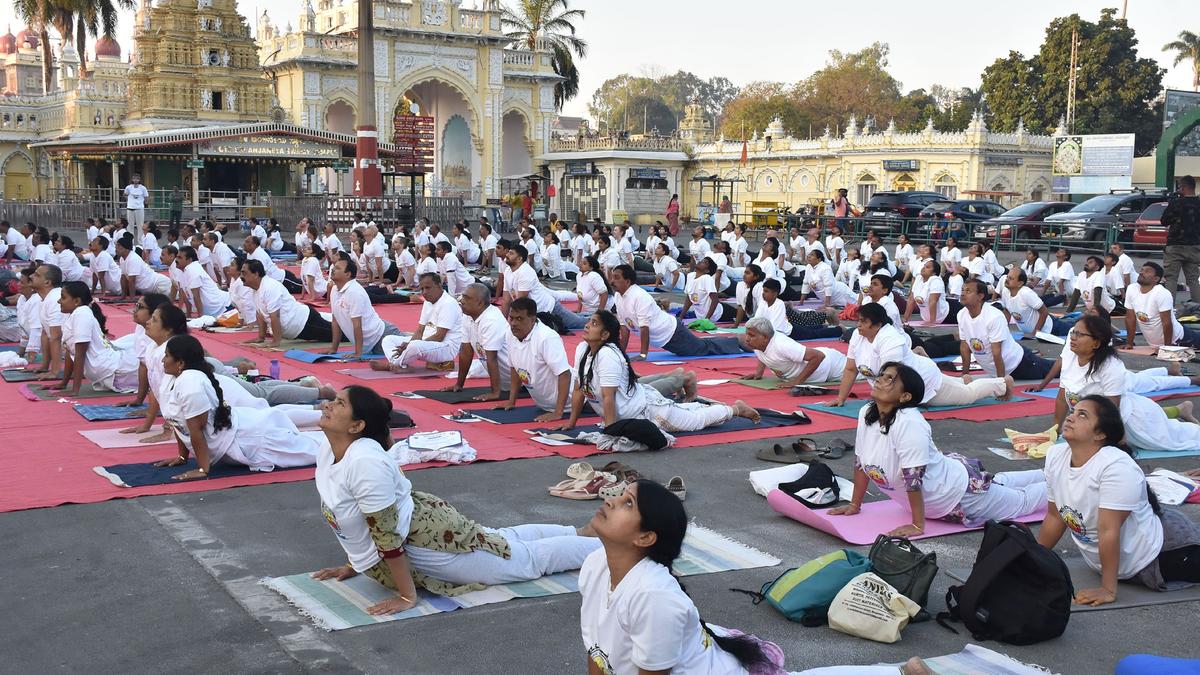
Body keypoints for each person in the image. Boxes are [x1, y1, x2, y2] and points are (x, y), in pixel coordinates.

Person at [311, 385, 601, 613]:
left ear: (356, 426)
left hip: (428, 541)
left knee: (524, 562)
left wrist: (406, 595)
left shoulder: (364, 463)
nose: (328, 405)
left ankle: (605, 546)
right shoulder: (328, 448)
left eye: (339, 403)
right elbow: (351, 517)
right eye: (333, 400)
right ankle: (578, 534)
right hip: (424, 523)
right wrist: (356, 563)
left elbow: (386, 536)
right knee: (498, 538)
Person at [580, 480, 793, 675]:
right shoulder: (596, 565)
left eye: (628, 503)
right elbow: (597, 650)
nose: (610, 501)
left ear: (645, 537)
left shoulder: (653, 597)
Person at [828, 362, 1046, 536]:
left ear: (905, 397)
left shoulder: (909, 423)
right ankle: (1046, 474)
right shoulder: (867, 412)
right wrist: (855, 504)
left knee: (1022, 501)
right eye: (882, 375)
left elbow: (913, 478)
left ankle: (1067, 482)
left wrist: (917, 525)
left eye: (890, 379)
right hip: (942, 493)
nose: (880, 380)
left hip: (958, 495)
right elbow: (860, 461)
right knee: (997, 484)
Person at [1038, 395, 1200, 605]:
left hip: (1162, 552)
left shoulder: (1116, 467)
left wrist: (1107, 589)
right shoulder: (1056, 455)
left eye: (1083, 415)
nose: (1071, 417)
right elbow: (1055, 517)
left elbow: (1109, 530)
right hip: (1140, 535)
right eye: (1073, 412)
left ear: (1100, 434)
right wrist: (1032, 558)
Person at [557, 311, 759, 433]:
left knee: (695, 422)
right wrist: (571, 423)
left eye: (593, 323)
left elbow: (608, 397)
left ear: (605, 335)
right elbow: (578, 390)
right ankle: (698, 402)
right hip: (636, 408)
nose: (586, 325)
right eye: (589, 321)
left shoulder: (608, 355)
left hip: (648, 410)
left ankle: (735, 409)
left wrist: (611, 431)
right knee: (685, 411)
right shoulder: (582, 349)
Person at [150, 335, 320, 481]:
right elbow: (179, 423)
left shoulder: (190, 383)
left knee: (322, 450)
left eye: (166, 356)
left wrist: (202, 470)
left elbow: (196, 428)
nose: (163, 360)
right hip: (242, 433)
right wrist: (182, 457)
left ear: (180, 362)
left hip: (252, 439)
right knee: (316, 444)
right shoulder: (174, 380)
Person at [1051, 314, 1200, 454]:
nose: (1073, 338)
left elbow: (1112, 411)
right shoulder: (1070, 356)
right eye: (1073, 332)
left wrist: (1115, 442)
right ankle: (1181, 410)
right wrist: (1054, 431)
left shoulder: (1110, 366)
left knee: (1179, 439)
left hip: (1132, 423)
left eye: (1080, 335)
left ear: (1096, 343)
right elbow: (1062, 398)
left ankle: (1184, 413)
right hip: (1092, 424)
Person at [828, 303, 1015, 408]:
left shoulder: (890, 339)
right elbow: (851, 369)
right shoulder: (857, 336)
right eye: (858, 321)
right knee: (957, 385)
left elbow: (892, 376)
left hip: (924, 382)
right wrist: (840, 398)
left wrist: (886, 403)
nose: (858, 325)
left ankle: (1002, 383)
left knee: (967, 396)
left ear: (877, 325)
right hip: (911, 375)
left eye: (863, 321)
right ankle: (962, 379)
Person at [609, 265, 745, 359]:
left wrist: (643, 354)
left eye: (616, 278)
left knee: (703, 349)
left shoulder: (639, 296)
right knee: (700, 346)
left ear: (627, 281)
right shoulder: (618, 296)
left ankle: (736, 342)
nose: (612, 281)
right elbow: (624, 327)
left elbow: (644, 328)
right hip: (664, 339)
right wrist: (622, 352)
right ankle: (729, 342)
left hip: (672, 332)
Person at [49, 281, 139, 395]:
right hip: (104, 368)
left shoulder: (82, 315)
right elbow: (70, 352)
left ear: (77, 301)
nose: (58, 301)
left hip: (113, 369)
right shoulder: (74, 314)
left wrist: (75, 390)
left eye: (63, 297)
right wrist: (64, 383)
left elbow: (80, 354)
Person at [957, 279, 1054, 380]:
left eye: (968, 291)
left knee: (1056, 369)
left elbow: (996, 352)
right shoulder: (961, 315)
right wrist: (964, 376)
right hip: (998, 370)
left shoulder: (994, 316)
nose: (963, 294)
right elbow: (965, 347)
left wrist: (1000, 383)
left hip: (1021, 364)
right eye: (962, 290)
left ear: (980, 296)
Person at [496, 297, 573, 422]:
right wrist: (511, 402)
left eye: (519, 319)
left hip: (574, 402)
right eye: (512, 318)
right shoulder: (510, 333)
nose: (514, 323)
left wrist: (558, 413)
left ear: (532, 320)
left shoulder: (547, 337)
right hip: (544, 405)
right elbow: (515, 368)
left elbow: (564, 374)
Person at [375, 273, 463, 372]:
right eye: (422, 289)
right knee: (388, 339)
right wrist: (409, 343)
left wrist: (410, 345)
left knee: (414, 345)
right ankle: (399, 364)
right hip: (426, 343)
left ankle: (393, 365)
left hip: (446, 347)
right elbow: (420, 331)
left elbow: (439, 336)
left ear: (439, 286)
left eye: (428, 288)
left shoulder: (448, 303)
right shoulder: (427, 302)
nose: (424, 292)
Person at [444, 284, 512, 401]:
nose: (462, 301)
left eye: (467, 298)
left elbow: (492, 358)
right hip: (504, 381)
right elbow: (466, 352)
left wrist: (495, 393)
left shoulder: (492, 319)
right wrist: (459, 385)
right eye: (462, 297)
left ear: (480, 303)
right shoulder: (468, 315)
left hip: (520, 381)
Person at [243, 259, 332, 346]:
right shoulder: (254, 290)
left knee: (340, 335)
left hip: (304, 321)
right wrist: (261, 337)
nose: (241, 277)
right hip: (296, 326)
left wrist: (276, 341)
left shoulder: (269, 287)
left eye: (244, 273)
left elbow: (274, 316)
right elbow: (260, 314)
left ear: (256, 274)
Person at [743, 317, 847, 387]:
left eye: (751, 335)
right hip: (818, 364)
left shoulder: (782, 344)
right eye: (747, 334)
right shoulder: (757, 344)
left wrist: (797, 382)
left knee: (861, 370)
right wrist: (758, 373)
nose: (747, 338)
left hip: (832, 366)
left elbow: (818, 356)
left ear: (765, 337)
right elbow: (763, 354)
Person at [328, 258, 401, 358]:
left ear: (348, 274)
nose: (333, 269)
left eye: (337, 268)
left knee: (413, 345)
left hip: (382, 336)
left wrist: (358, 353)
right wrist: (333, 349)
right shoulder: (334, 290)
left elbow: (357, 324)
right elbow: (336, 321)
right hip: (370, 341)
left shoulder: (354, 292)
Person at [1123, 262, 1200, 349]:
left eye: (1147, 271)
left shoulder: (1161, 293)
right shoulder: (1132, 289)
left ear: (1156, 279)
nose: (1141, 273)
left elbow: (1166, 322)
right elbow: (1130, 318)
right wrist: (1129, 343)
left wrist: (1167, 348)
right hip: (1155, 344)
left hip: (1180, 338)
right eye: (1142, 270)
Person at [1162, 175, 1200, 305]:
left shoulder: (1177, 203)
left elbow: (1164, 221)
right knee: (1193, 280)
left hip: (1175, 246)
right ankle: (1198, 309)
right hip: (1195, 245)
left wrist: (1172, 203)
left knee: (1171, 278)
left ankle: (1168, 309)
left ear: (1183, 187)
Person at [28, 264, 65, 378]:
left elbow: (56, 337)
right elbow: (45, 333)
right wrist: (44, 366)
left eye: (36, 275)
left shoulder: (55, 298)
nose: (31, 276)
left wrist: (54, 372)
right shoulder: (43, 299)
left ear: (47, 283)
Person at [177, 245, 230, 319]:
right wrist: (188, 315)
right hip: (216, 310)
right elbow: (185, 295)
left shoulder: (192, 269)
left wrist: (200, 317)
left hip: (224, 307)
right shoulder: (182, 270)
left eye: (179, 258)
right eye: (177, 257)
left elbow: (196, 295)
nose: (176, 260)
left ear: (189, 260)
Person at [903, 259, 951, 325]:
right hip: (926, 317)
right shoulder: (918, 278)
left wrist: (932, 322)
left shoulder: (936, 280)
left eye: (927, 267)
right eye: (924, 266)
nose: (923, 268)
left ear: (934, 273)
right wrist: (905, 319)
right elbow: (911, 300)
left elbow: (933, 301)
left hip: (947, 314)